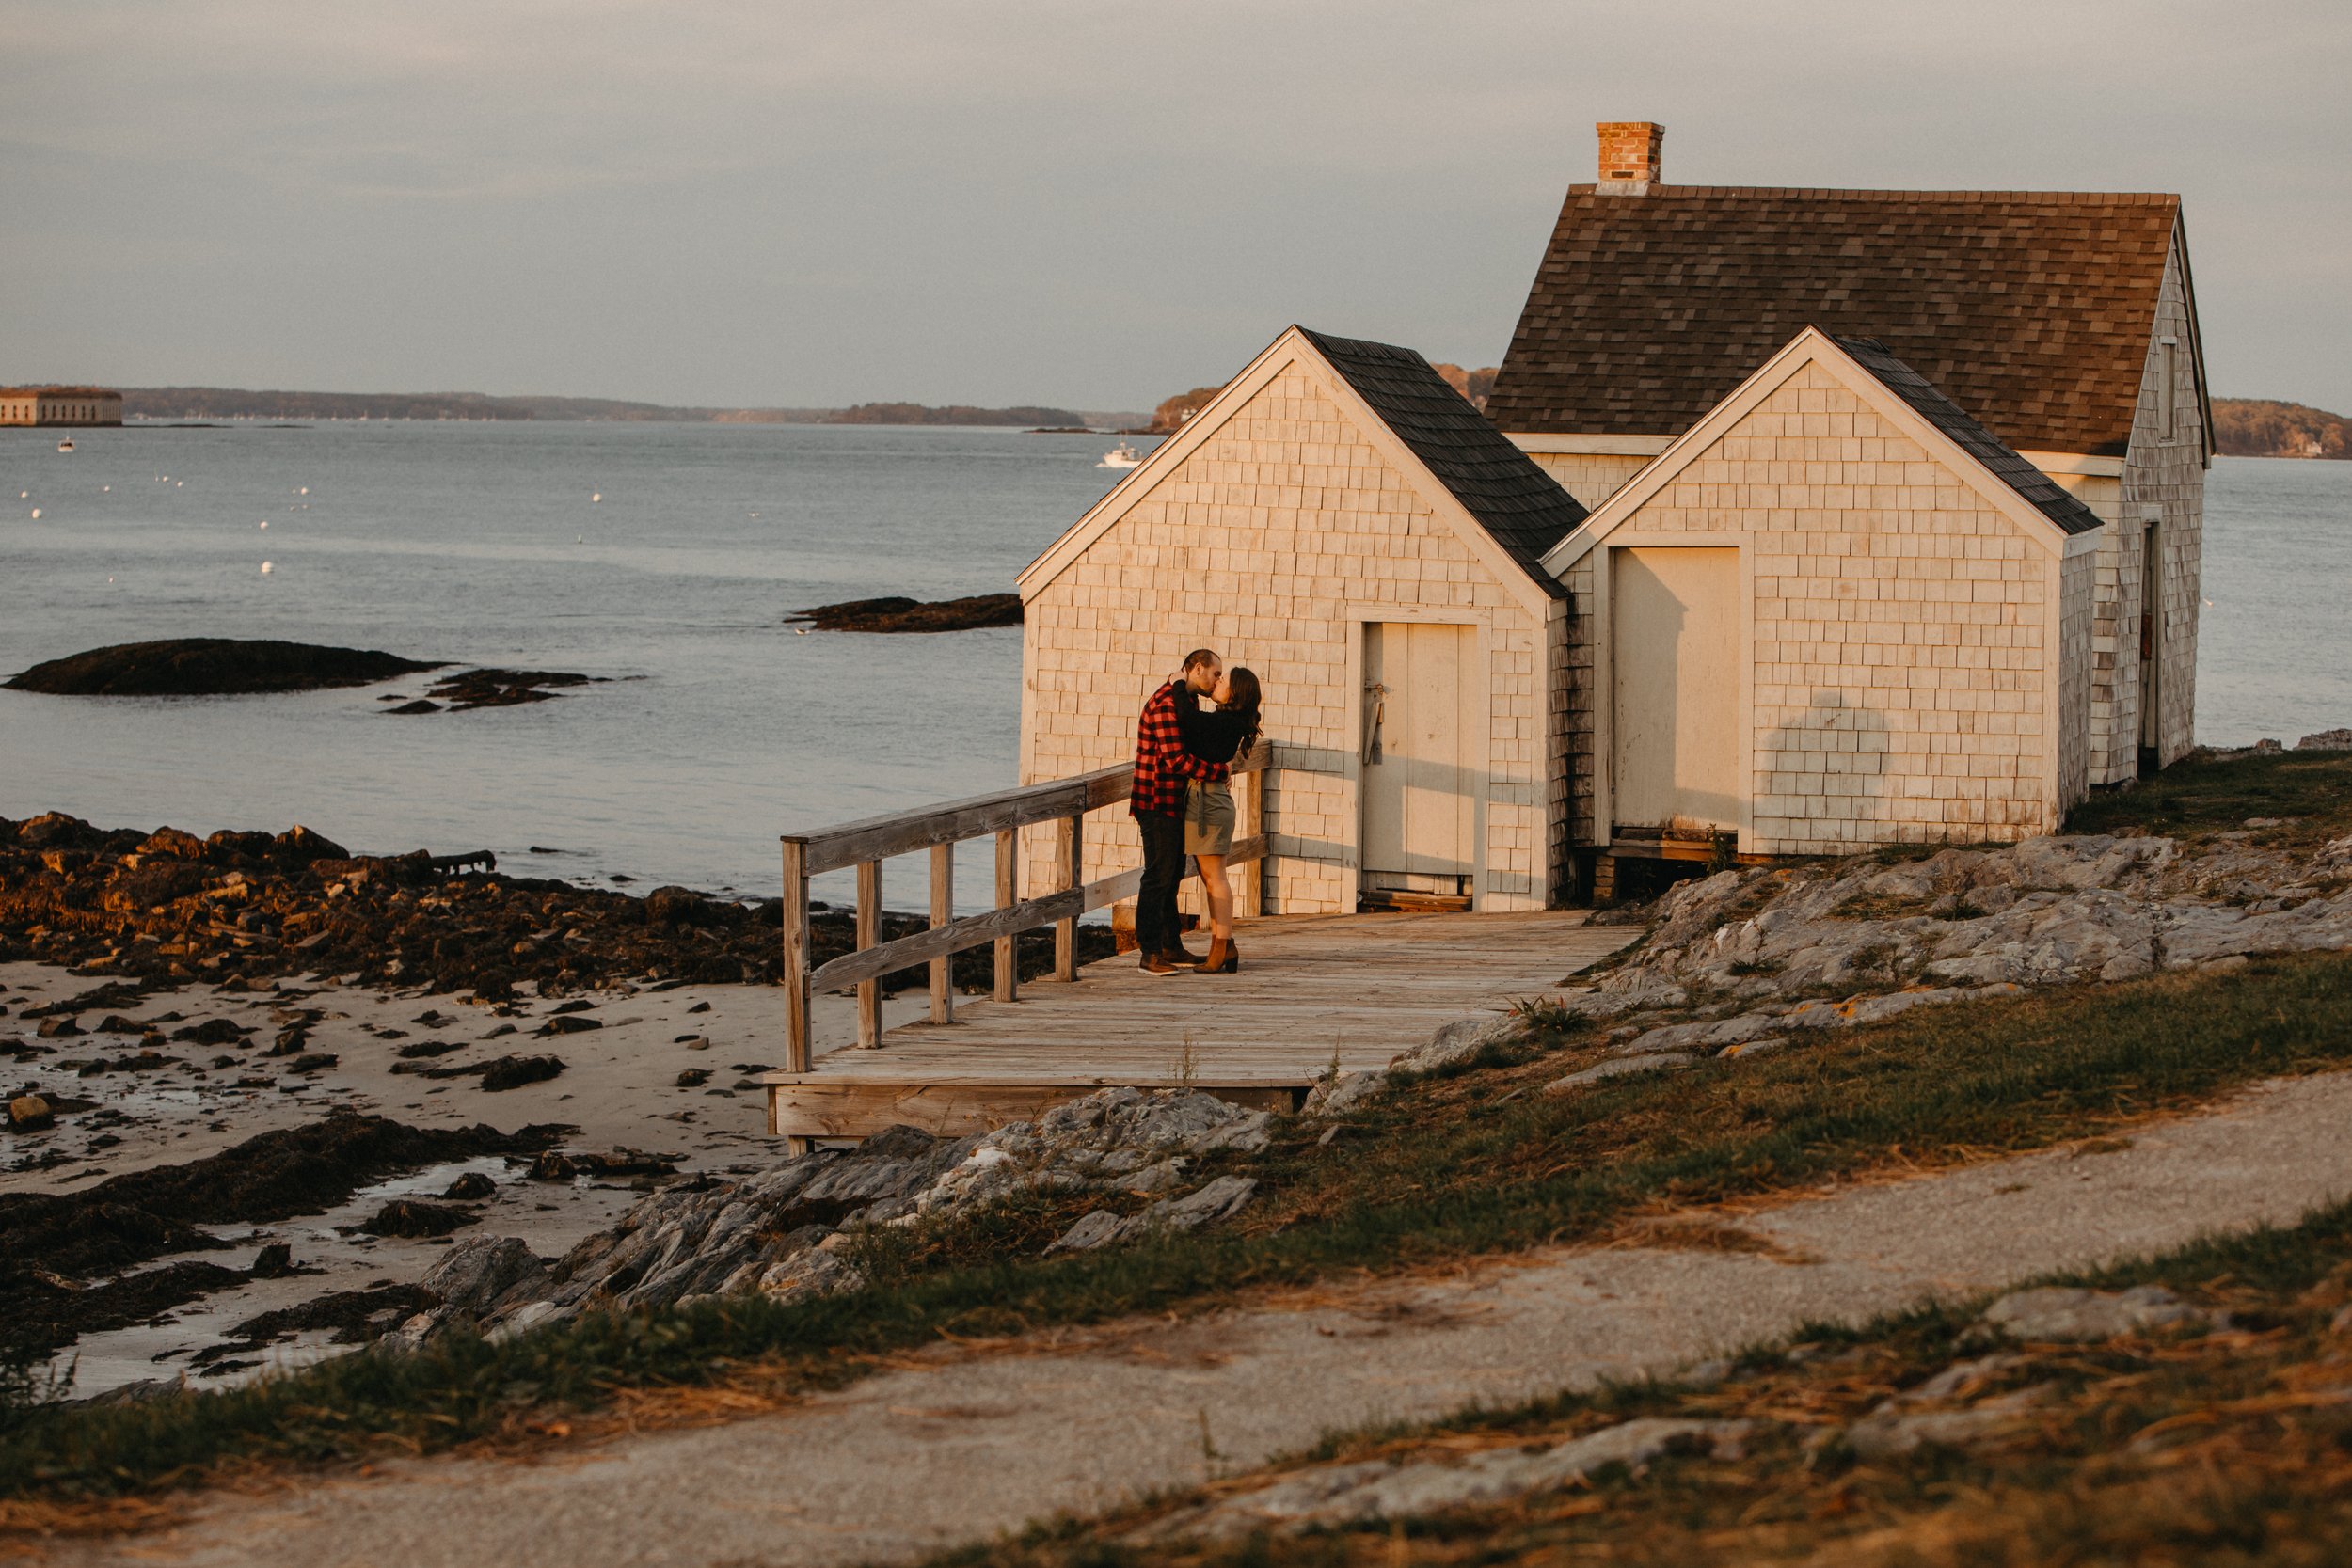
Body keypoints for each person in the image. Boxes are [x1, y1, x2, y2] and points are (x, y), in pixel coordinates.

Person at [1129, 649, 1221, 974]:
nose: (1217, 680)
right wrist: (1217, 771)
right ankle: (1149, 953)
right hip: (1155, 801)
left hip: (1172, 801)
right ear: (1197, 669)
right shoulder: (1166, 703)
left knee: (1172, 875)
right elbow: (1176, 760)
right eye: (1215, 674)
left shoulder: (1186, 699)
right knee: (1157, 875)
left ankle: (1171, 946)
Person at [1176, 666, 1262, 974]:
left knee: (1215, 877)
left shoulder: (1226, 721)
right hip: (1207, 798)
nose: (1218, 681)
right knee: (1211, 876)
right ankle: (1222, 944)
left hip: (1209, 802)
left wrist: (1178, 683)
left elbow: (1187, 719)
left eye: (1224, 680)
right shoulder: (1228, 721)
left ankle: (1222, 945)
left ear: (1235, 693)